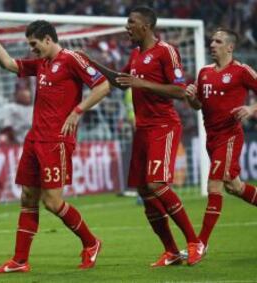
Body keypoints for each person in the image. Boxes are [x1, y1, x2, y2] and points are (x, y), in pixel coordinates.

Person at [0, 19, 110, 273]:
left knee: (52, 202)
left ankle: (91, 242)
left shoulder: (73, 59)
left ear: (48, 40)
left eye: (34, 44)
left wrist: (78, 111)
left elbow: (103, 85)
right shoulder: (42, 63)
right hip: (34, 139)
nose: (32, 49)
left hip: (57, 140)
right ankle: (20, 260)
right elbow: (9, 64)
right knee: (28, 197)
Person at [83, 6, 204, 267]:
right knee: (143, 189)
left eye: (131, 23)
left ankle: (195, 242)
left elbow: (180, 91)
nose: (127, 27)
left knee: (157, 184)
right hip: (142, 129)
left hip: (164, 126)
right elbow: (120, 80)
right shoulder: (136, 55)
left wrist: (144, 84)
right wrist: (90, 63)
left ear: (146, 26)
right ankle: (171, 251)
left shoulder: (166, 51)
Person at [185, 28, 257, 252]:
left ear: (230, 47)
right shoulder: (204, 72)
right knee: (233, 186)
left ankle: (200, 244)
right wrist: (191, 99)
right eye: (211, 41)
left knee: (214, 185)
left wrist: (251, 108)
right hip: (211, 138)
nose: (212, 45)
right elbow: (199, 106)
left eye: (217, 41)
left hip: (230, 136)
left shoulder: (241, 71)